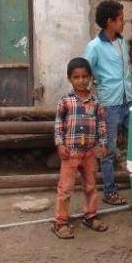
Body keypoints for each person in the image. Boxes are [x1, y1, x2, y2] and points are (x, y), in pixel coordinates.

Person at [84, 0, 132, 207]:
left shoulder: (123, 42)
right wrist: (91, 100)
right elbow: (85, 73)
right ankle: (110, 191)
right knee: (108, 151)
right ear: (109, 22)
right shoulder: (94, 47)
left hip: (128, 100)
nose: (124, 22)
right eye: (120, 19)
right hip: (109, 105)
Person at [52, 57, 109, 239]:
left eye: (85, 76)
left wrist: (103, 143)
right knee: (66, 188)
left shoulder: (96, 102)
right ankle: (60, 222)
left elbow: (101, 124)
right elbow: (58, 125)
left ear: (90, 77)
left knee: (91, 186)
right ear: (70, 79)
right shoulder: (65, 101)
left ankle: (90, 216)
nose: (81, 80)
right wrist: (60, 144)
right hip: (70, 153)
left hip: (90, 152)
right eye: (76, 77)